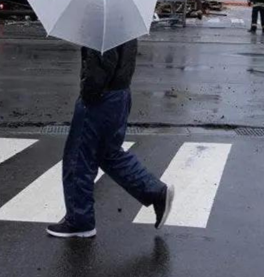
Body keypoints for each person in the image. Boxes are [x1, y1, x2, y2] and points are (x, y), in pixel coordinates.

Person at [48, 40, 175, 239]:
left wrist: (88, 94)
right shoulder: (121, 20)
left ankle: (79, 220)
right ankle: (155, 192)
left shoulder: (101, 20)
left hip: (101, 99)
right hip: (120, 94)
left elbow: (101, 63)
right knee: (109, 154)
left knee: (78, 159)